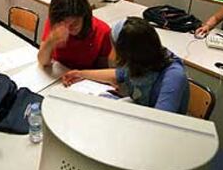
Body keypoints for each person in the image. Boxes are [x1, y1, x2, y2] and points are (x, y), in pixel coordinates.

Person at [62, 17, 190, 114]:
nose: (111, 53)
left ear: (128, 53)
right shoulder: (143, 59)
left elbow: (161, 124)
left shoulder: (173, 77)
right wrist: (81, 73)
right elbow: (117, 74)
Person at [38, 0, 112, 69]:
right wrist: (50, 41)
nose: (69, 28)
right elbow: (43, 62)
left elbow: (103, 68)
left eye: (75, 23)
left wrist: (80, 75)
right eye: (64, 23)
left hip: (83, 77)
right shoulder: (56, 23)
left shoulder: (103, 31)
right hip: (59, 72)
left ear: (84, 16)